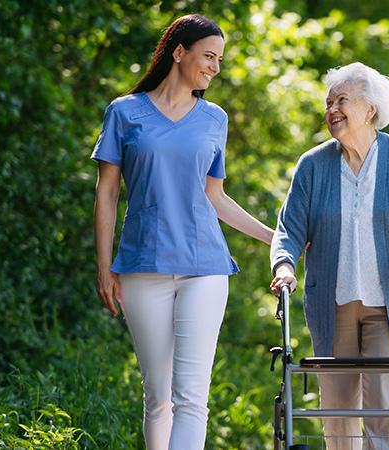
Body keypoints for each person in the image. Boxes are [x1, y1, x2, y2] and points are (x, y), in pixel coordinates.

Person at [91, 14, 273, 450]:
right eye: (208, 56)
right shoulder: (125, 111)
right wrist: (103, 268)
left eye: (219, 60)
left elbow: (216, 197)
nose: (215, 67)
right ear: (179, 52)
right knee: (158, 398)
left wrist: (274, 237)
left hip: (205, 266)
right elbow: (107, 193)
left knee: (191, 396)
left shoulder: (214, 119)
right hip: (142, 266)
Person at [269, 62, 389, 450]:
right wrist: (284, 266)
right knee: (337, 410)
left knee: (384, 407)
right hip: (333, 304)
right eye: (328, 102)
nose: (332, 109)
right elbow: (289, 229)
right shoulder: (313, 165)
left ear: (370, 110)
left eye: (342, 101)